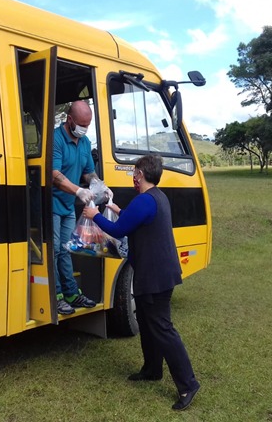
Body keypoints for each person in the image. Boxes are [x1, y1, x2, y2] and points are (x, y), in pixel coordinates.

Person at [82, 154, 200, 411]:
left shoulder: (145, 200)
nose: (132, 177)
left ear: (141, 174)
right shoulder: (155, 197)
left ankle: (188, 384)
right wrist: (116, 210)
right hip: (154, 274)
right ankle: (151, 369)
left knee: (162, 329)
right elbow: (133, 219)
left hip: (156, 277)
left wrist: (94, 215)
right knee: (146, 323)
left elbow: (117, 230)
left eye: (134, 172)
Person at [52, 100, 110, 315]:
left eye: (88, 125)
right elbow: (54, 175)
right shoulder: (56, 139)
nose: (84, 129)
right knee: (55, 250)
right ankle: (56, 295)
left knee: (66, 249)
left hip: (67, 206)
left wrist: (99, 185)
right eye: (81, 124)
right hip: (52, 203)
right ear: (69, 120)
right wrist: (78, 191)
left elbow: (88, 171)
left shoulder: (84, 142)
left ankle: (71, 293)